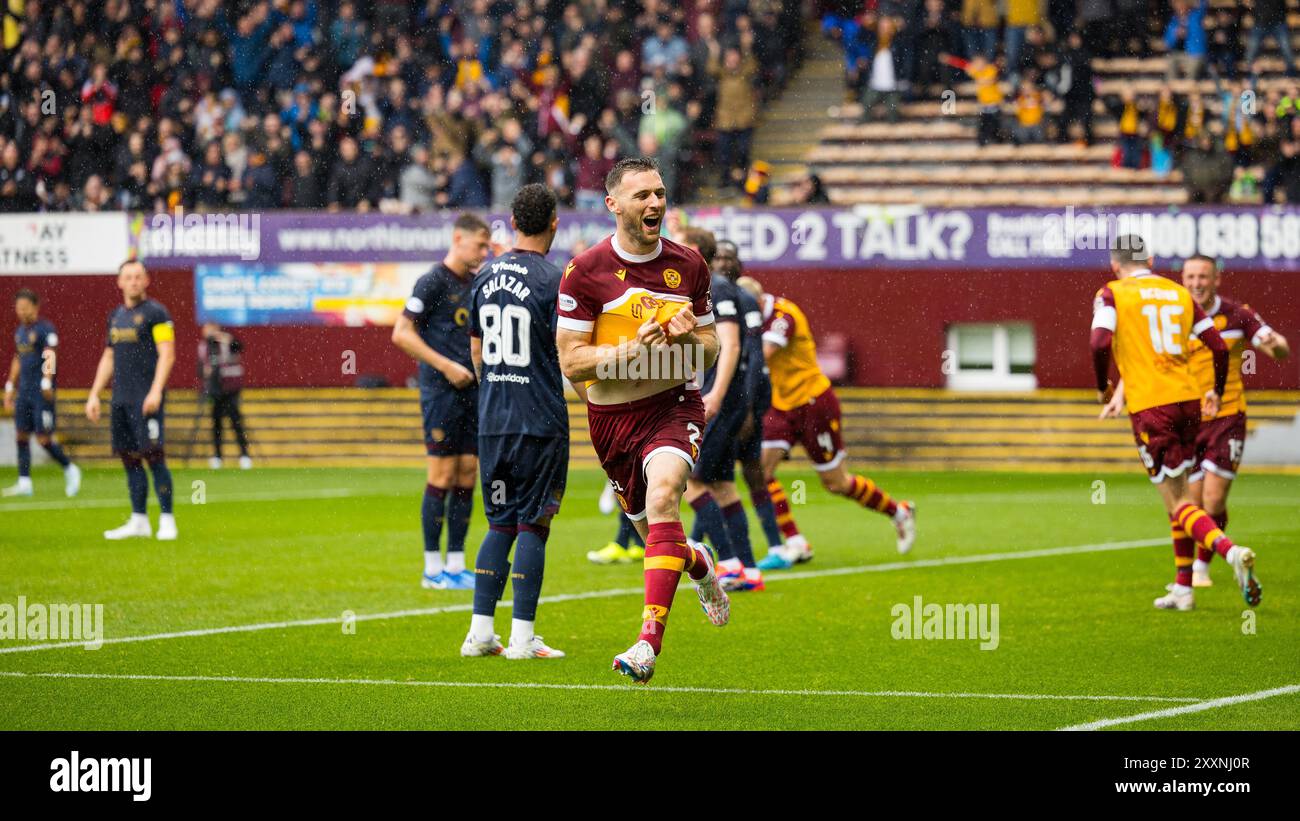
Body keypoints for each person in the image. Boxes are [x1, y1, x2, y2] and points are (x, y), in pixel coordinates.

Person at [555, 156, 729, 684]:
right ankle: (699, 563)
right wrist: (629, 350)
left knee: (664, 497)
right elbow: (570, 361)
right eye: (642, 196)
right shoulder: (584, 272)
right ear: (613, 205)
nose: (655, 204)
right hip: (610, 422)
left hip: (673, 408)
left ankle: (647, 644)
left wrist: (685, 339)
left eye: (659, 193)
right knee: (655, 531)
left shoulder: (690, 266)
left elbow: (711, 346)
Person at [1090, 237, 1260, 611]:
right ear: (1150, 260)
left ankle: (1231, 553)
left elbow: (1100, 341)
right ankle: (1184, 588)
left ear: (1115, 265)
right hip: (1190, 403)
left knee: (1178, 500)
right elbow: (1217, 345)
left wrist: (1104, 385)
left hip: (1153, 406)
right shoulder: (1177, 292)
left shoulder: (1112, 293)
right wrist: (1215, 389)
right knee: (1179, 497)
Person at [738, 280, 916, 571]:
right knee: (759, 470)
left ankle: (899, 512)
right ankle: (795, 542)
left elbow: (763, 353)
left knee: (836, 483)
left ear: (757, 303)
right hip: (781, 406)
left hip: (813, 404)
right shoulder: (751, 315)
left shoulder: (784, 315)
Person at [461, 184, 569, 660]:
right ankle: (523, 639)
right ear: (554, 222)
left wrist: (496, 386)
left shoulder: (484, 276)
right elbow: (568, 350)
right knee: (533, 526)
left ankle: (480, 633)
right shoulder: (554, 279)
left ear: (512, 220)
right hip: (539, 421)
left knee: (499, 523)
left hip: (493, 420)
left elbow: (476, 347)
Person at [392, 213, 491, 590]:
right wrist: (446, 365)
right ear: (457, 238)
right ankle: (432, 568)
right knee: (442, 475)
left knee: (467, 473)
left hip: (473, 393)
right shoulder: (433, 280)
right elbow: (401, 333)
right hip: (440, 392)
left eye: (487, 246)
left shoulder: (477, 283)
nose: (484, 252)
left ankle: (456, 564)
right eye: (479, 244)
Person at [678, 228, 764, 592]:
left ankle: (727, 562)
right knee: (724, 485)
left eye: (680, 243)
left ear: (695, 250)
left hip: (719, 399)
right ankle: (749, 568)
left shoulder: (717, 287)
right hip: (722, 397)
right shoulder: (705, 288)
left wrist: (714, 394)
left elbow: (730, 346)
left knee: (688, 481)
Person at [85, 261, 177, 541]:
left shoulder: (157, 313)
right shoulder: (115, 316)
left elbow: (167, 353)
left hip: (146, 398)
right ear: (120, 282)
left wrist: (156, 390)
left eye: (138, 276)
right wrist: (94, 393)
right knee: (129, 458)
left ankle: (167, 519)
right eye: (129, 277)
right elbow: (109, 356)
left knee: (154, 457)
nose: (134, 281)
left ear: (147, 280)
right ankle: (139, 520)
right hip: (121, 399)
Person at [3, 289, 80, 497]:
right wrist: (10, 386)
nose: (21, 312)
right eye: (18, 308)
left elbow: (50, 354)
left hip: (41, 393)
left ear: (35, 307)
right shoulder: (20, 332)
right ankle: (24, 482)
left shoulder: (45, 329)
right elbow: (18, 358)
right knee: (21, 435)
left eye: (25, 308)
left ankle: (70, 468)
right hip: (24, 392)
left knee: (43, 439)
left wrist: (47, 380)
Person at [199, 322, 251, 470]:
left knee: (236, 423)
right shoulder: (204, 347)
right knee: (216, 424)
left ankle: (244, 455)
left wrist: (223, 338)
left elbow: (239, 346)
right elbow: (200, 369)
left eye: (210, 330)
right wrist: (206, 373)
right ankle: (217, 457)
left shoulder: (227, 340)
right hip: (215, 391)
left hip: (231, 389)